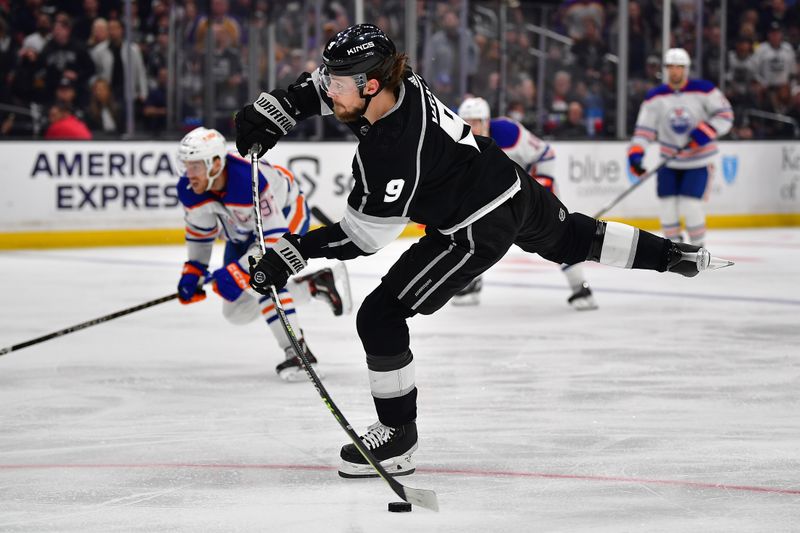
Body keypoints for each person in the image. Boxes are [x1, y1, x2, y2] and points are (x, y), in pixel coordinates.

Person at [235, 24, 727, 478]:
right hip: (508, 181)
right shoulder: (394, 81)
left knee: (380, 316)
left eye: (338, 81)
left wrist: (291, 253)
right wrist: (274, 111)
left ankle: (398, 440)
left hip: (471, 229)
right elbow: (319, 90)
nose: (328, 86)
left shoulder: (392, 152)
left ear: (369, 86)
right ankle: (672, 256)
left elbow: (362, 239)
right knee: (573, 238)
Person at [175, 127, 352, 382]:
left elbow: (273, 239)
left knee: (264, 276)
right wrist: (194, 269)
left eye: (195, 167)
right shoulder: (191, 188)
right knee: (236, 311)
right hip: (242, 231)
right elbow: (200, 232)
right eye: (186, 166)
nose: (188, 174)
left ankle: (298, 353)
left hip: (286, 218)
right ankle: (315, 286)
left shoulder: (249, 180)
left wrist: (240, 271)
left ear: (215, 164)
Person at [455, 96, 597, 310]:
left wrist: (542, 185)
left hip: (532, 191)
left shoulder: (509, 132)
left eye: (475, 122)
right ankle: (473, 283)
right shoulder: (458, 139)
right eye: (466, 122)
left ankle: (580, 288)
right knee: (478, 235)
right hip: (499, 195)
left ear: (486, 122)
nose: (471, 127)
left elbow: (546, 154)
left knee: (559, 238)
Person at [627, 48, 734, 246]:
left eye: (679, 67)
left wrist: (705, 132)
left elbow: (725, 115)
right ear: (665, 69)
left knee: (691, 205)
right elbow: (644, 130)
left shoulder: (705, 90)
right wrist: (636, 154)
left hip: (698, 161)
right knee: (667, 207)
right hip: (669, 160)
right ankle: (673, 250)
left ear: (686, 69)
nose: (675, 71)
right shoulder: (655, 97)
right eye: (670, 67)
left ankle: (697, 249)